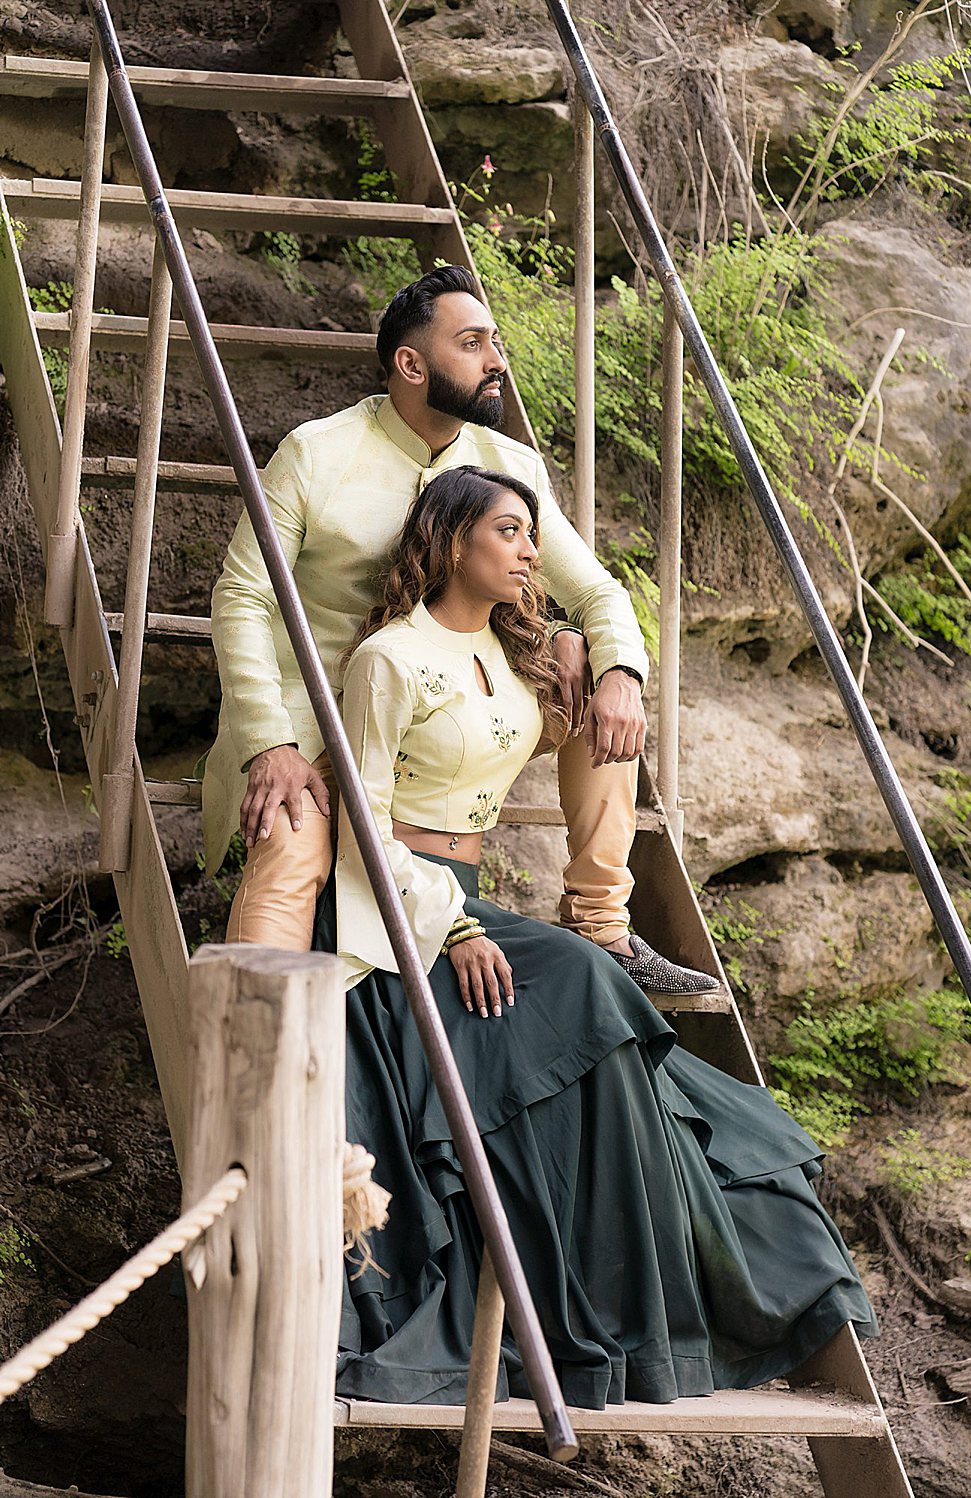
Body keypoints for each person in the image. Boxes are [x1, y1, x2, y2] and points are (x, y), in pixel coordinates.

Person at [324, 465, 876, 1405]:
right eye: (509, 532)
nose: (531, 551)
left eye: (533, 534)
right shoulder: (387, 659)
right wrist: (453, 926)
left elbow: (597, 654)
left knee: (594, 1003)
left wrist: (598, 661)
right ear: (455, 542)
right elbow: (361, 825)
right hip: (391, 905)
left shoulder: (517, 655)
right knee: (584, 984)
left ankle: (645, 1308)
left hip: (462, 890)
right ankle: (595, 1311)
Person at [206, 263, 711, 995]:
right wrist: (269, 743)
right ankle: (252, 1056)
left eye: (494, 342)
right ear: (410, 364)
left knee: (593, 683)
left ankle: (602, 924)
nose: (497, 361)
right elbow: (242, 597)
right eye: (472, 343)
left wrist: (619, 674)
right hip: (323, 728)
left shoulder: (510, 465)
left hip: (456, 704)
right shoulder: (315, 454)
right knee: (291, 856)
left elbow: (596, 591)